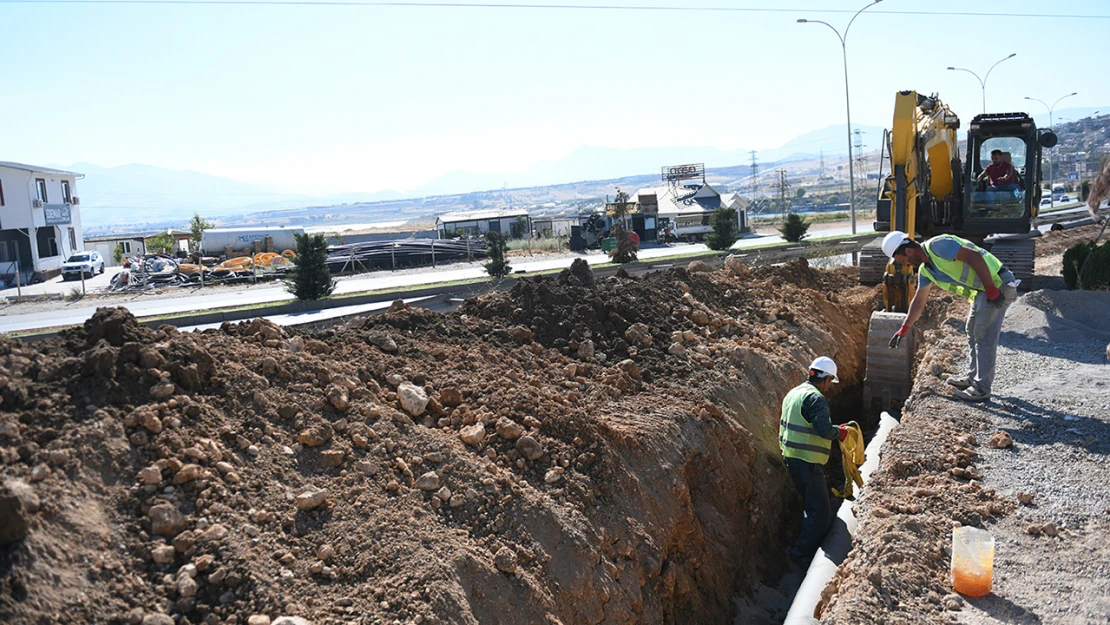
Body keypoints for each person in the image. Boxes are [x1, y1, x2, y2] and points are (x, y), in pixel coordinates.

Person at [883, 231, 1018, 402]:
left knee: (984, 336)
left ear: (908, 251)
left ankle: (982, 388)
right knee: (972, 330)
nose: (906, 264)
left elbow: (974, 256)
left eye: (903, 260)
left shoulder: (937, 245)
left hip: (997, 283)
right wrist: (905, 328)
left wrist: (990, 287)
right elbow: (919, 301)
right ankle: (973, 378)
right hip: (983, 290)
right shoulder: (926, 271)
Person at [779, 356, 849, 568]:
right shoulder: (816, 398)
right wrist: (840, 433)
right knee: (820, 512)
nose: (829, 387)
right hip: (806, 461)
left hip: (792, 456)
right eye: (830, 382)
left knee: (813, 506)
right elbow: (824, 430)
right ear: (826, 379)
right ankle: (801, 556)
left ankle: (802, 551)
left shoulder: (795, 392)